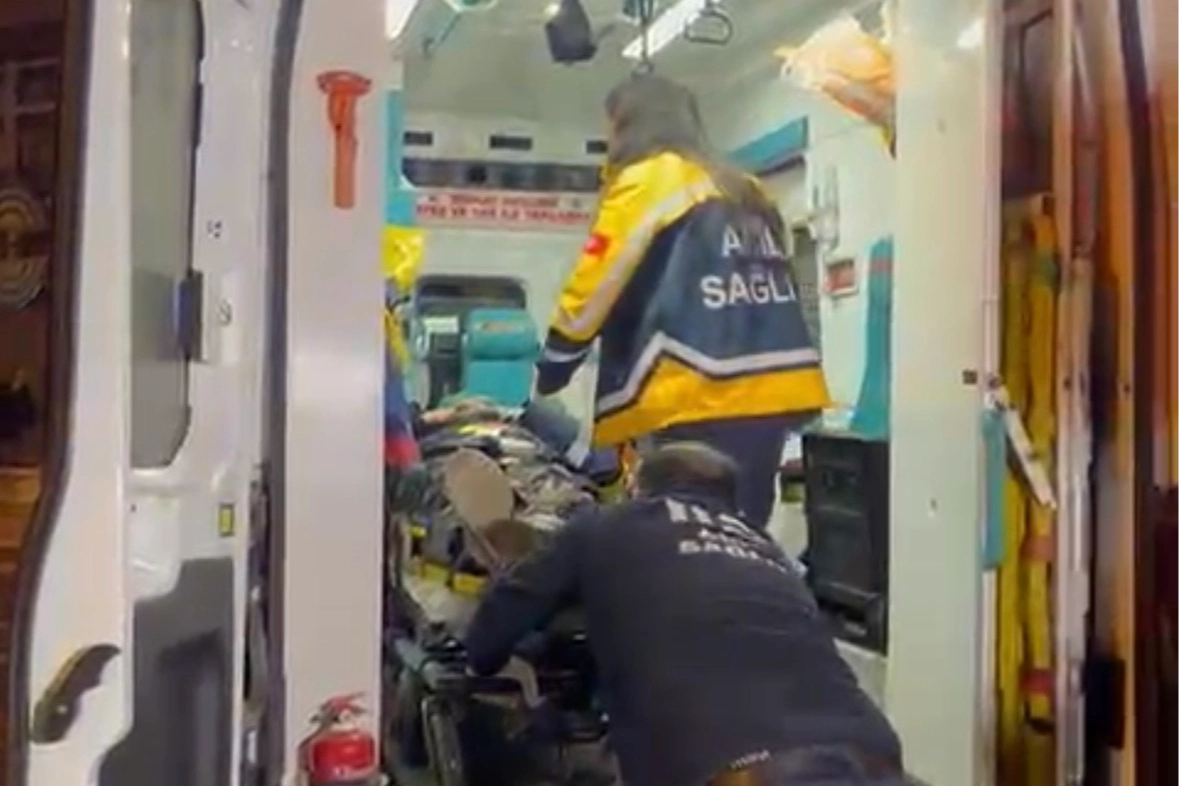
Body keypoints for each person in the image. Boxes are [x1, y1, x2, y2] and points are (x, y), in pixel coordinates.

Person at [462, 442, 904, 786]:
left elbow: (500, 619)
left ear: (638, 487)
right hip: (873, 752)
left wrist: (481, 658)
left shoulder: (605, 524)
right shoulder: (767, 549)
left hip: (733, 766)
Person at [533, 74, 829, 531]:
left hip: (698, 386)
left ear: (628, 125)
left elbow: (598, 277)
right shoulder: (746, 188)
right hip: (776, 388)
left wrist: (557, 362)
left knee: (689, 529)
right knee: (744, 527)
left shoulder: (651, 180)